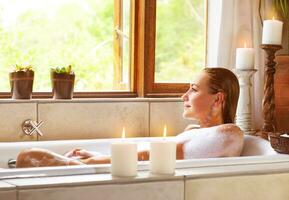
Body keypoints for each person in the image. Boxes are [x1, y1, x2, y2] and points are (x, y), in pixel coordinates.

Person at [16, 67, 244, 168]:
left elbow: (152, 156)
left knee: (28, 156)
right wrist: (96, 155)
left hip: (123, 176)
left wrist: (85, 163)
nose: (184, 95)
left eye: (194, 89)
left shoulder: (229, 134)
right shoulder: (194, 132)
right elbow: (152, 155)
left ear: (217, 99)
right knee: (26, 158)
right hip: (120, 171)